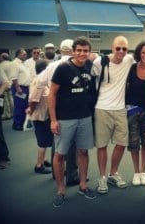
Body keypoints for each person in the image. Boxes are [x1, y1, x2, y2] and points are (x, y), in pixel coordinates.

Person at [49, 36, 96, 207]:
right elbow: (52, 94)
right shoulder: (62, 69)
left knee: (83, 152)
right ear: (73, 51)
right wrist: (53, 119)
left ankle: (83, 185)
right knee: (60, 154)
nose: (82, 53)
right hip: (65, 118)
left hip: (85, 117)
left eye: (85, 50)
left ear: (89, 51)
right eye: (79, 50)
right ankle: (61, 190)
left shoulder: (90, 65)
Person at [93, 36, 134, 194]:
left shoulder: (129, 60)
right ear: (112, 48)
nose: (121, 51)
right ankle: (102, 177)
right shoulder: (99, 62)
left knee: (122, 143)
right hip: (101, 108)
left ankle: (113, 173)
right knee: (102, 145)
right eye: (118, 48)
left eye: (124, 48)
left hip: (121, 109)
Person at [37, 39, 80, 185]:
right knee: (72, 143)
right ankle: (72, 175)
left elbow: (39, 82)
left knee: (57, 140)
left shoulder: (52, 66)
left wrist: (49, 89)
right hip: (72, 108)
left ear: (61, 50)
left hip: (55, 108)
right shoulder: (77, 65)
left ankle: (57, 173)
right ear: (73, 49)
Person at [125, 41, 145, 187]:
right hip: (132, 108)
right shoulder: (131, 68)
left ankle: (143, 171)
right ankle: (136, 172)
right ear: (139, 53)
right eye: (143, 52)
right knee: (133, 142)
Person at [27, 59, 53, 174]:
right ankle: (39, 165)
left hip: (44, 115)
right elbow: (33, 100)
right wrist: (30, 110)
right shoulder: (39, 81)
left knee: (46, 140)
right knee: (42, 141)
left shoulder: (44, 80)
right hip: (39, 116)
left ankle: (44, 159)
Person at [9, 48, 31, 131]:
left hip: (25, 88)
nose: (26, 56)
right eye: (24, 54)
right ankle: (17, 124)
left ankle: (22, 123)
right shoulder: (14, 63)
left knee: (24, 106)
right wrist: (18, 88)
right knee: (19, 106)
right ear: (18, 54)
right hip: (19, 88)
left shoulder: (22, 63)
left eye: (26, 54)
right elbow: (13, 77)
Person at [0, 53, 14, 120]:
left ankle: (7, 114)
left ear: (2, 58)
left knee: (5, 100)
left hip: (4, 84)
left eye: (0, 57)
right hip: (11, 83)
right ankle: (12, 113)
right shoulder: (12, 64)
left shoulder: (0, 65)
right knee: (11, 99)